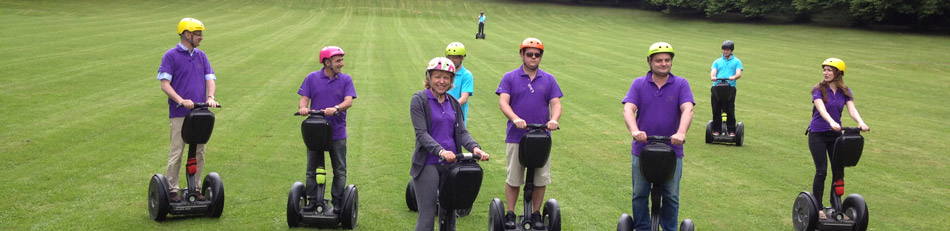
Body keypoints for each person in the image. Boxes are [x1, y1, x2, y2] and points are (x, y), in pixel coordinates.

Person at [410, 57, 490, 231]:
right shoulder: (419, 100)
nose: (441, 81)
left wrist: (476, 148)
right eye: (437, 76)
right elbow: (422, 134)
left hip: (453, 164)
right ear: (429, 77)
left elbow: (461, 132)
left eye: (446, 77)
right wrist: (440, 151)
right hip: (428, 164)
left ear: (452, 80)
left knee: (450, 213)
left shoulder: (453, 102)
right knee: (428, 214)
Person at [621, 42, 695, 231]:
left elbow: (688, 108)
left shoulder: (680, 84)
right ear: (649, 61)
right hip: (642, 149)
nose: (664, 64)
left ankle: (669, 228)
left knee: (671, 195)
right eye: (659, 60)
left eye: (667, 60)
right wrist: (635, 131)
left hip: (672, 150)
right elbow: (629, 108)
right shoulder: (639, 83)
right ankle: (642, 228)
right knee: (639, 193)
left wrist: (681, 133)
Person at [496, 38, 563, 230]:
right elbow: (503, 102)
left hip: (542, 137)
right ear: (522, 55)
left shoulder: (549, 79)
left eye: (537, 54)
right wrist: (515, 118)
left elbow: (556, 103)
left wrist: (554, 120)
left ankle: (535, 214)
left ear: (541, 56)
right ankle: (509, 213)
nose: (533, 57)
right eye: (529, 54)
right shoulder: (510, 77)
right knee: (514, 178)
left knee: (541, 178)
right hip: (516, 136)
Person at [157, 17, 220, 203]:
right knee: (177, 151)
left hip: (199, 113)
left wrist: (210, 97)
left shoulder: (201, 56)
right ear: (187, 34)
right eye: (198, 34)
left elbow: (210, 79)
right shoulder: (171, 55)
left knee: (199, 151)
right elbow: (165, 84)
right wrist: (180, 100)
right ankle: (172, 189)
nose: (201, 37)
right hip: (179, 113)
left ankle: (196, 188)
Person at [296, 46, 357, 214]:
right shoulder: (312, 78)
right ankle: (313, 200)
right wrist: (303, 109)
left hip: (337, 132)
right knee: (311, 169)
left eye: (341, 60)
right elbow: (304, 99)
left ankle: (338, 202)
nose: (341, 64)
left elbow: (349, 101)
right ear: (327, 62)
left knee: (339, 169)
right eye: (338, 61)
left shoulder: (346, 79)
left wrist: (336, 108)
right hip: (316, 131)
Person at [807, 58, 869, 219]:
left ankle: (836, 207)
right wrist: (832, 121)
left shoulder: (845, 91)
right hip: (817, 134)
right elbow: (821, 109)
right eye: (824, 70)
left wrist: (861, 123)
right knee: (821, 171)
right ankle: (818, 208)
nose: (825, 73)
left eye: (829, 70)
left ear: (838, 73)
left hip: (835, 135)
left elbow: (852, 110)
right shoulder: (818, 89)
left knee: (838, 171)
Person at [709, 40, 743, 136]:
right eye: (724, 50)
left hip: (730, 88)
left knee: (730, 109)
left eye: (727, 50)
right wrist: (713, 77)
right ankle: (717, 130)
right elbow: (713, 72)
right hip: (717, 87)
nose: (725, 51)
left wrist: (734, 77)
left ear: (731, 50)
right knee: (716, 109)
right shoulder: (717, 61)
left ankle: (732, 130)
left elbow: (738, 73)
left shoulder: (737, 61)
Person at [445, 42, 474, 126]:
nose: (451, 60)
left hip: (457, 119)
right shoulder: (443, 73)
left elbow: (464, 98)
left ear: (461, 58)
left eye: (454, 58)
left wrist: (447, 108)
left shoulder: (466, 75)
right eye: (449, 57)